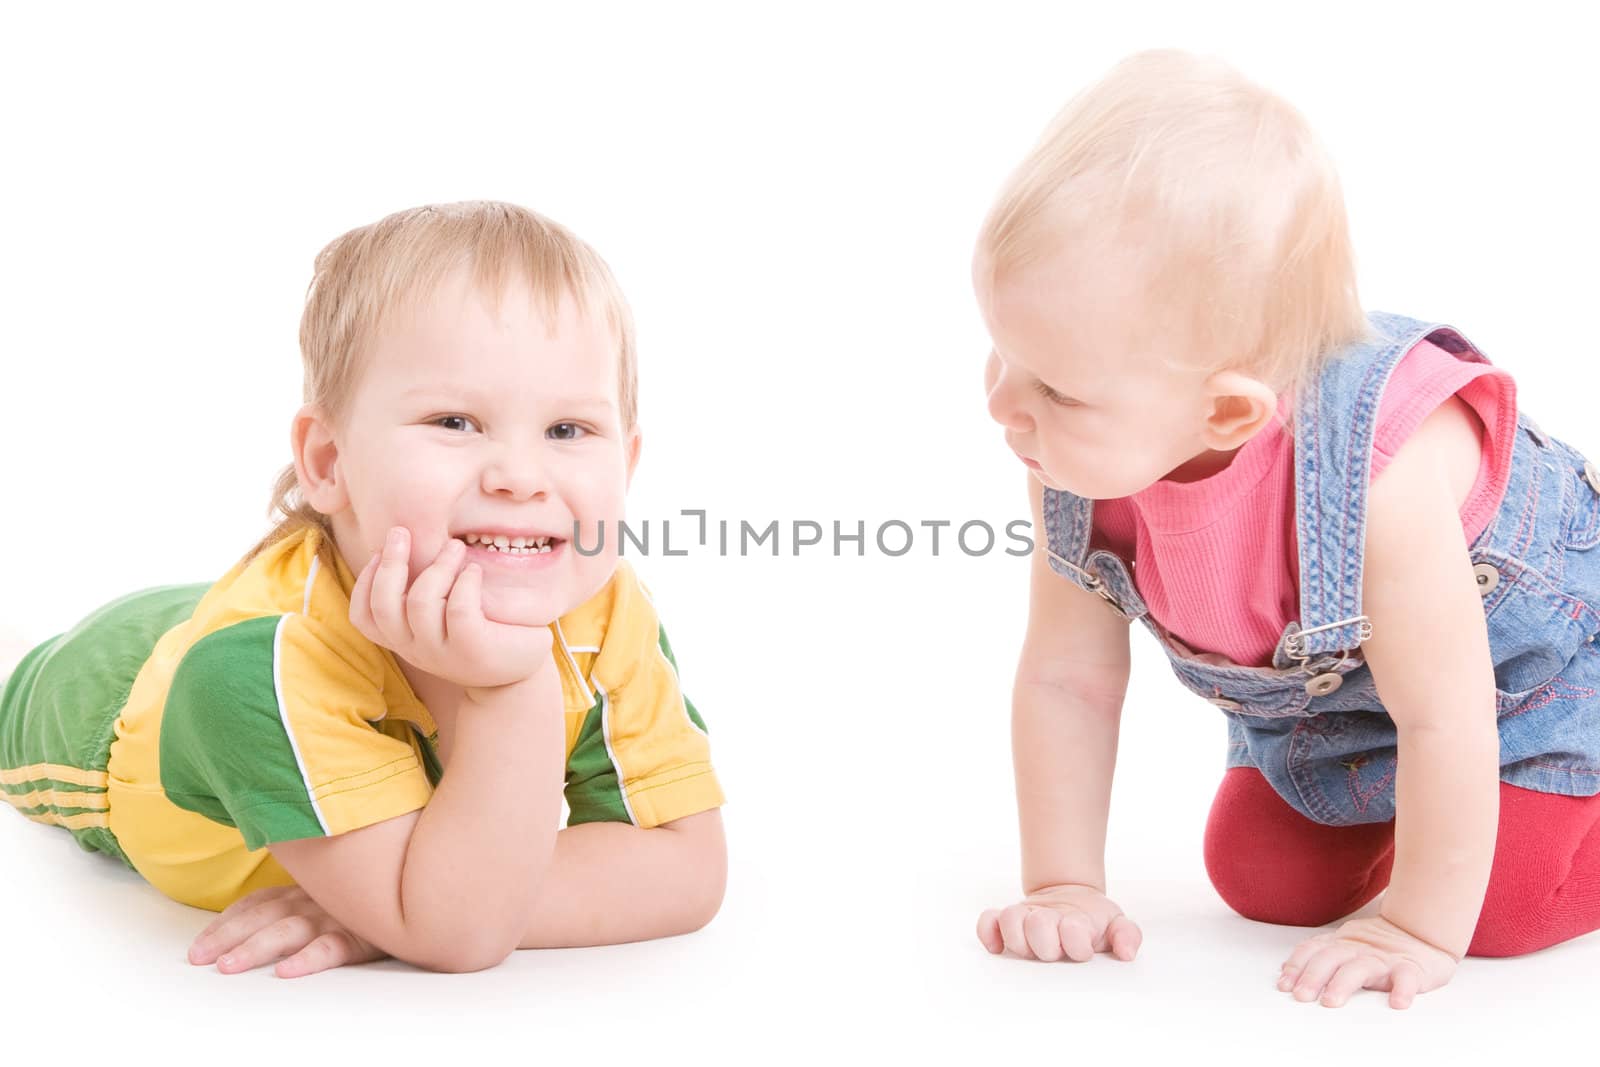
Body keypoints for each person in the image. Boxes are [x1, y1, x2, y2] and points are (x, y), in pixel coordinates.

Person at [971, 50, 1600, 1009]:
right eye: (1003, 354)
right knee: (1261, 875)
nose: (1006, 405)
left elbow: (1448, 711)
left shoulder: (1381, 471)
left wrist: (1417, 927)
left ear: (1227, 414)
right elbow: (1067, 677)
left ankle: (1551, 807)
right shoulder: (1071, 459)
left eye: (1054, 386)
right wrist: (1065, 883)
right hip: (1347, 718)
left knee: (1495, 911)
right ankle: (1459, 827)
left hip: (1529, 685)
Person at [0, 200, 727, 976]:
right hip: (106, 698)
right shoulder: (254, 670)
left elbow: (687, 867)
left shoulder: (603, 609)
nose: (520, 476)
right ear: (328, 459)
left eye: (567, 431)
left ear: (629, 461)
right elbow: (458, 931)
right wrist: (435, 892)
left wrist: (409, 903)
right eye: (454, 421)